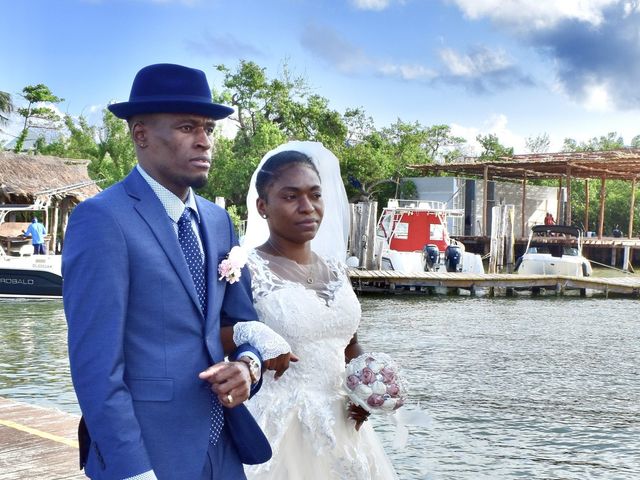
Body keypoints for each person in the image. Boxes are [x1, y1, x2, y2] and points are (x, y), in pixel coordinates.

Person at [63, 63, 274, 480]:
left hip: (224, 450)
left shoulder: (217, 221)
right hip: (148, 452)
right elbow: (95, 365)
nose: (204, 141)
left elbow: (241, 323)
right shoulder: (102, 220)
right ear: (140, 134)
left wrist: (249, 366)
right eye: (186, 127)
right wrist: (132, 470)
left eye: (208, 129)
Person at [242, 142, 399, 479]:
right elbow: (225, 335)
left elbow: (347, 344)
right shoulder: (245, 268)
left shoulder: (337, 270)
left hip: (344, 424)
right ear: (262, 206)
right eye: (290, 196)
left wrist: (366, 385)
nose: (307, 207)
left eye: (315, 195)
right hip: (281, 426)